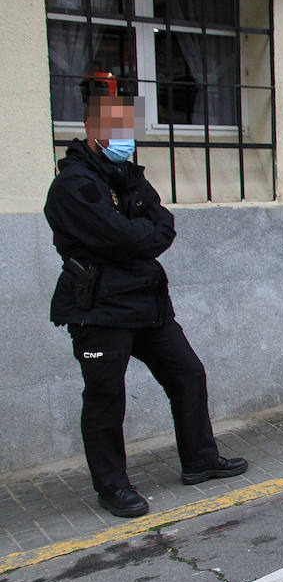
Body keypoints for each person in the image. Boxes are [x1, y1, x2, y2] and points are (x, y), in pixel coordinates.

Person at [43, 90, 247, 519]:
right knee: (105, 397)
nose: (125, 135)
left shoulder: (128, 176)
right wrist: (137, 236)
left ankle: (200, 460)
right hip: (99, 308)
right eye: (115, 127)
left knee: (188, 375)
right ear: (94, 129)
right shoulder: (74, 185)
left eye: (128, 127)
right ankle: (113, 487)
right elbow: (119, 238)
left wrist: (135, 235)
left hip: (147, 303)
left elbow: (164, 227)